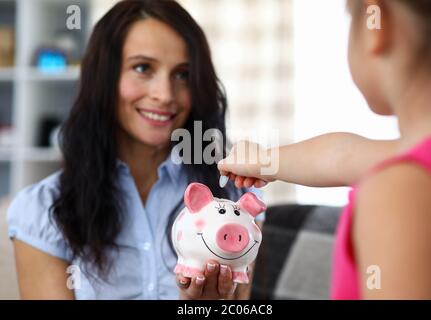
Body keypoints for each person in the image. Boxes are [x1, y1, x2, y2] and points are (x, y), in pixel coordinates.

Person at [8, 0, 261, 300]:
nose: (165, 95)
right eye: (142, 68)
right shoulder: (43, 210)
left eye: (182, 74)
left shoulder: (232, 199)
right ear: (104, 77)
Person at [219, 0, 431, 299]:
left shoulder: (398, 191)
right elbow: (341, 156)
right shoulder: (423, 166)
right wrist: (265, 161)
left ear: (376, 25)